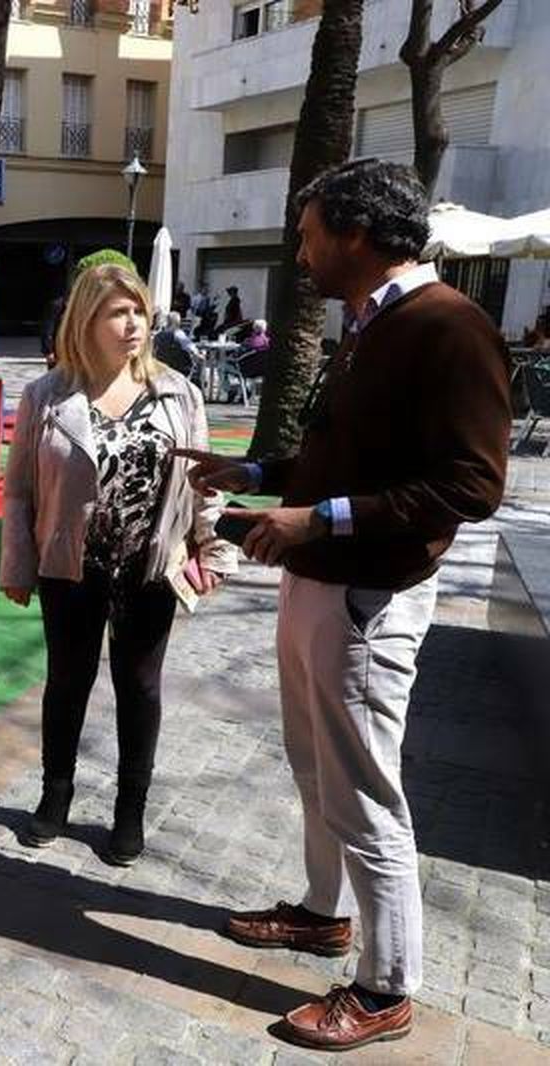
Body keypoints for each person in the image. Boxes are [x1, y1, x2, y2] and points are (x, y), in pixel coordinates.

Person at [175, 159, 512, 1052]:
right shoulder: (373, 324)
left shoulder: (451, 326)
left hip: (369, 597)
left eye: (310, 229)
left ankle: (386, 987)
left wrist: (317, 516)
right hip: (321, 584)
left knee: (364, 788)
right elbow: (351, 459)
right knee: (315, 767)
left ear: (358, 234)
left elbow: (472, 486)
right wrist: (253, 475)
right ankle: (322, 916)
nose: (300, 247)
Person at [0, 263, 236, 868]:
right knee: (67, 681)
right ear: (87, 320)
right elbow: (20, 488)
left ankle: (129, 809)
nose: (133, 323)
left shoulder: (178, 392)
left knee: (140, 687)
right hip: (70, 563)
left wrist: (212, 548)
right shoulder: (46, 395)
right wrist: (17, 566)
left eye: (138, 311)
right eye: (117, 312)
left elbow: (205, 486)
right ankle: (56, 795)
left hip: (149, 564)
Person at [152, 311, 201, 383]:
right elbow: (192, 349)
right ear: (178, 322)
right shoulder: (179, 335)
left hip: (163, 368)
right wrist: (199, 354)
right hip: (180, 369)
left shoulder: (158, 336)